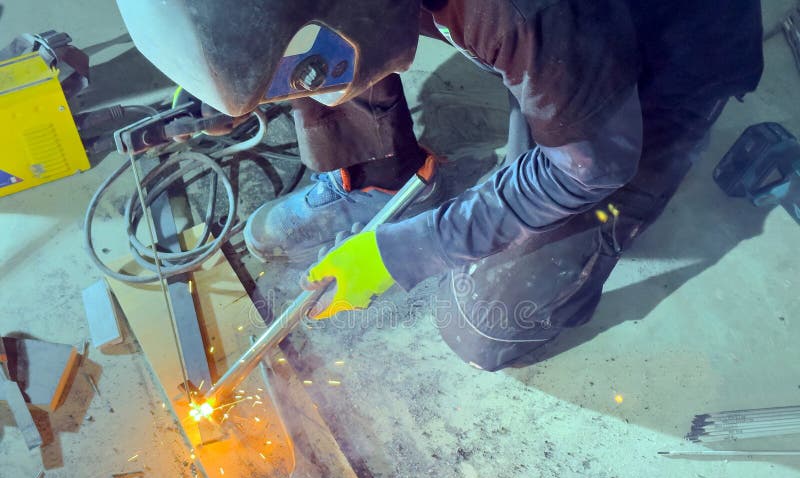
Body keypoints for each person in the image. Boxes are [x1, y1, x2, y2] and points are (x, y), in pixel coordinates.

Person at [117, 0, 763, 371]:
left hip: (656, 60)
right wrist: (223, 84)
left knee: (484, 325)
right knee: (311, 44)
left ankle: (611, 223)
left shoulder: (515, 7)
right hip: (561, 40)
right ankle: (375, 176)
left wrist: (398, 252)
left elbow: (587, 165)